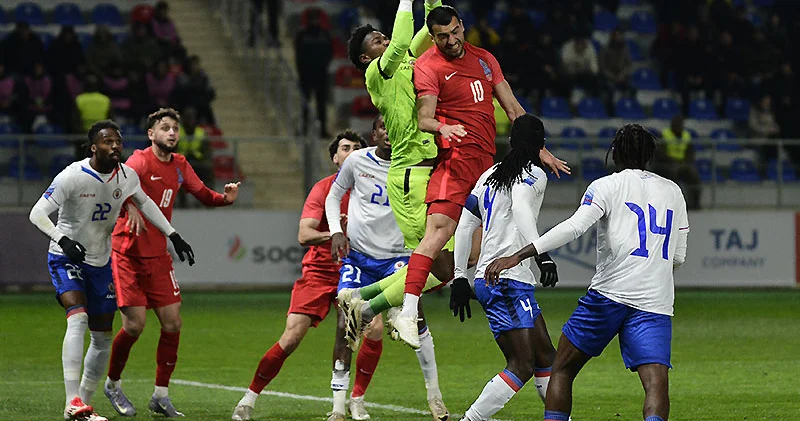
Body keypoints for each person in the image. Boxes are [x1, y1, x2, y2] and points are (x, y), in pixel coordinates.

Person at [392, 5, 569, 348]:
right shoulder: (428, 66)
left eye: (455, 32)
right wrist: (444, 126)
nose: (451, 40)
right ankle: (407, 310)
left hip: (485, 168)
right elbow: (424, 118)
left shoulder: (485, 59)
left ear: (462, 27)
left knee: (471, 256)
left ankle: (380, 300)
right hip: (455, 163)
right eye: (442, 36)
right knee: (438, 233)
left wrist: (542, 150)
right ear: (433, 37)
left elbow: (515, 111)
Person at [485, 124, 689, 421]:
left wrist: (520, 254)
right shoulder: (674, 191)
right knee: (655, 383)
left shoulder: (606, 186)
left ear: (615, 153)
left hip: (609, 296)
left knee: (563, 368)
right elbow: (679, 257)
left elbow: (575, 227)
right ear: (649, 155)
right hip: (655, 301)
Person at [28, 120, 195, 421]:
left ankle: (84, 405)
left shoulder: (127, 176)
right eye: (107, 142)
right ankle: (71, 402)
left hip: (100, 262)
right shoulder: (73, 176)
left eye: (117, 141)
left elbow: (146, 204)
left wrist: (173, 234)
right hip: (66, 258)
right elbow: (37, 213)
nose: (115, 146)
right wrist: (62, 240)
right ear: (94, 147)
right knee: (78, 318)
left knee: (102, 336)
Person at [102, 108, 240, 417]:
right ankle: (112, 384)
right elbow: (112, 189)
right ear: (151, 134)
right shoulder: (138, 161)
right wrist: (130, 206)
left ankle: (160, 395)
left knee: (173, 323)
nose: (172, 133)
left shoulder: (179, 164)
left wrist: (224, 198)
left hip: (158, 256)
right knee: (135, 326)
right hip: (128, 255)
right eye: (165, 128)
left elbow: (202, 193)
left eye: (175, 128)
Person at [231, 131, 367, 421]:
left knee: (360, 333)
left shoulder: (373, 191)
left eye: (357, 148)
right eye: (345, 148)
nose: (352, 151)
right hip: (319, 271)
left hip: (356, 269)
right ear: (335, 157)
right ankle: (249, 398)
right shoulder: (323, 189)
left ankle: (349, 403)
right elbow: (304, 234)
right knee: (291, 337)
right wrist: (336, 234)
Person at [328, 115, 449, 421]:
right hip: (358, 258)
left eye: (396, 128)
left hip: (398, 258)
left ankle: (435, 397)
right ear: (374, 133)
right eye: (384, 127)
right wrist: (335, 230)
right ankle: (338, 408)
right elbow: (333, 195)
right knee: (345, 325)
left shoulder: (417, 164)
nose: (390, 134)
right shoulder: (357, 161)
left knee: (416, 319)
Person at [453, 114, 558, 421]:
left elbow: (465, 226)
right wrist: (541, 254)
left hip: (500, 279)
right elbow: (521, 209)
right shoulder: (535, 174)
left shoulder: (488, 176)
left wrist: (461, 276)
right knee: (522, 364)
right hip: (506, 279)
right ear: (541, 146)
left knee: (545, 357)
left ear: (510, 141)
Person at [654, 115, 700, 210]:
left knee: (694, 174)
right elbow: (660, 154)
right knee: (673, 173)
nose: (678, 127)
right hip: (667, 164)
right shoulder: (665, 134)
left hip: (683, 163)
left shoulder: (686, 135)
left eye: (680, 125)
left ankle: (695, 203)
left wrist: (685, 162)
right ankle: (675, 203)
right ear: (672, 125)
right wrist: (673, 161)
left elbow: (690, 153)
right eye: (676, 125)